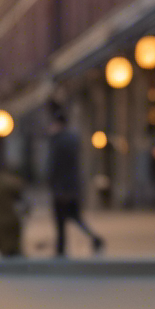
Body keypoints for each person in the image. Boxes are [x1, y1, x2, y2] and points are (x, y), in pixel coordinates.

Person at [46, 104, 104, 256]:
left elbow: (54, 166)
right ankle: (95, 238)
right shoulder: (73, 139)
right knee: (75, 217)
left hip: (61, 189)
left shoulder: (57, 141)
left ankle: (60, 249)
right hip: (73, 186)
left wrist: (51, 183)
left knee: (60, 221)